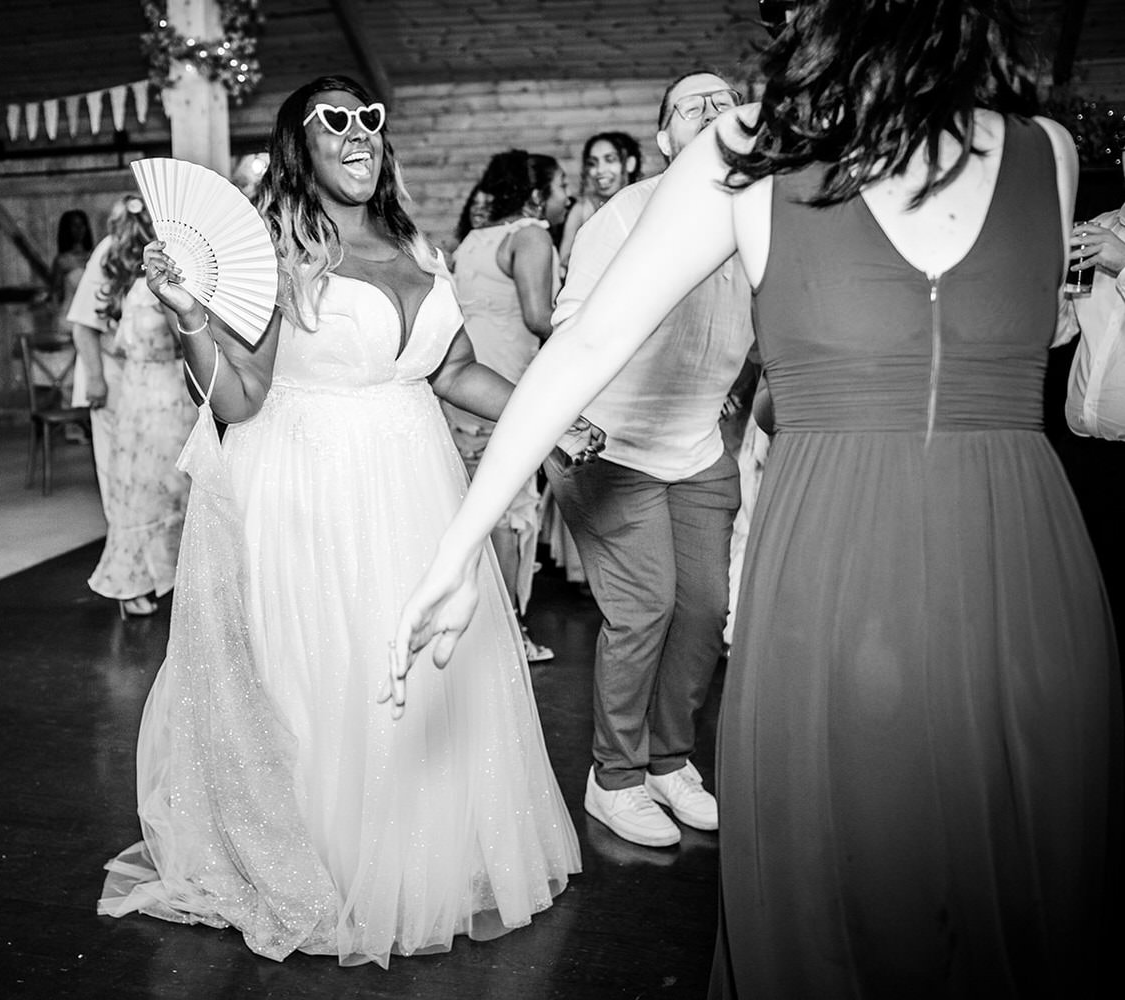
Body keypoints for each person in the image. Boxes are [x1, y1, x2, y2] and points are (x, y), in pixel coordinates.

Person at [392, 2, 1119, 995]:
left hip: (1026, 581)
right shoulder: (747, 152)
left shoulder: (1048, 150)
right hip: (836, 575)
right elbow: (588, 343)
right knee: (848, 902)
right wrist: (458, 544)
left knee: (1033, 884)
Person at [98, 75, 580, 967]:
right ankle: (331, 868)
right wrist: (190, 317)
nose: (358, 133)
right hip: (311, 495)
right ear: (301, 146)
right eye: (335, 121)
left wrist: (549, 418)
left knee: (428, 676)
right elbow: (240, 401)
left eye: (370, 118)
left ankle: (425, 857)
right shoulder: (282, 250)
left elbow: (456, 368)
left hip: (413, 486)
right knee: (336, 675)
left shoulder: (413, 240)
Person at [543, 70, 752, 849]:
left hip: (697, 446)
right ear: (665, 140)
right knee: (647, 608)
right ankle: (615, 779)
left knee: (703, 609)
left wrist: (734, 382)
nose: (712, 108)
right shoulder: (626, 213)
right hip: (609, 445)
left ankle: (669, 763)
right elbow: (570, 322)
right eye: (691, 105)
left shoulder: (758, 217)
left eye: (727, 98)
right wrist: (568, 423)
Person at [442, 149, 576, 662]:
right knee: (510, 512)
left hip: (465, 386)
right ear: (537, 193)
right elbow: (541, 317)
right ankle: (509, 635)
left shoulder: (476, 240)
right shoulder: (532, 235)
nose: (568, 195)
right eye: (562, 185)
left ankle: (475, 632)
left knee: (475, 507)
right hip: (507, 391)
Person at [68, 197, 195, 618]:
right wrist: (98, 379)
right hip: (131, 384)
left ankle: (168, 571)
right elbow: (87, 324)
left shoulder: (173, 262)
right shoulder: (109, 254)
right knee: (126, 481)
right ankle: (135, 573)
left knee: (166, 483)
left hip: (154, 387)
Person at [1055, 161, 1125, 641]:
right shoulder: (1098, 228)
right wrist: (1052, 289)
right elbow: (1059, 333)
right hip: (1085, 453)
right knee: (1086, 606)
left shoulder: (1114, 248)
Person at [558, 131, 642, 273]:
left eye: (610, 160)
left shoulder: (645, 203)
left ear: (629, 164)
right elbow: (563, 264)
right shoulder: (582, 210)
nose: (600, 170)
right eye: (593, 163)